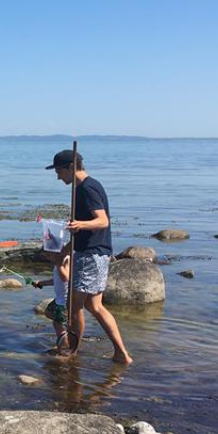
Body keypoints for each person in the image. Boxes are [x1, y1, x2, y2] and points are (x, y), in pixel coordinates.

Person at [47, 149, 133, 365]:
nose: (58, 176)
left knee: (74, 307)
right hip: (95, 252)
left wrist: (80, 224)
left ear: (70, 167)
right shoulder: (83, 188)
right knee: (95, 306)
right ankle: (121, 353)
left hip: (91, 255)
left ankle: (73, 351)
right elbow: (83, 231)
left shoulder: (87, 188)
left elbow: (102, 220)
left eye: (59, 171)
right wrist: (65, 251)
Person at [32, 247, 71, 354]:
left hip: (64, 300)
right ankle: (67, 329)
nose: (48, 258)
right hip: (59, 299)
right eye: (47, 256)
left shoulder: (65, 260)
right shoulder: (59, 263)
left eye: (49, 255)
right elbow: (56, 280)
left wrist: (59, 265)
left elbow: (66, 278)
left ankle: (63, 347)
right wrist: (41, 283)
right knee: (48, 312)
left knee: (58, 325)